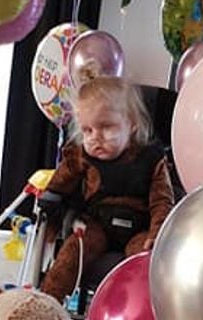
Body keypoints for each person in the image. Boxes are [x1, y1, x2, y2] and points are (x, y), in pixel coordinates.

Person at [39, 71, 175, 303]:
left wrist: (155, 234)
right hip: (96, 224)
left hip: (139, 228)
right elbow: (61, 182)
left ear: (131, 124)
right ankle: (45, 304)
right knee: (74, 251)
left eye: (106, 127)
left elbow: (162, 201)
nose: (95, 138)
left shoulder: (152, 159)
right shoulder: (81, 155)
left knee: (146, 261)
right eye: (87, 130)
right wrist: (51, 202)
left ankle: (143, 309)